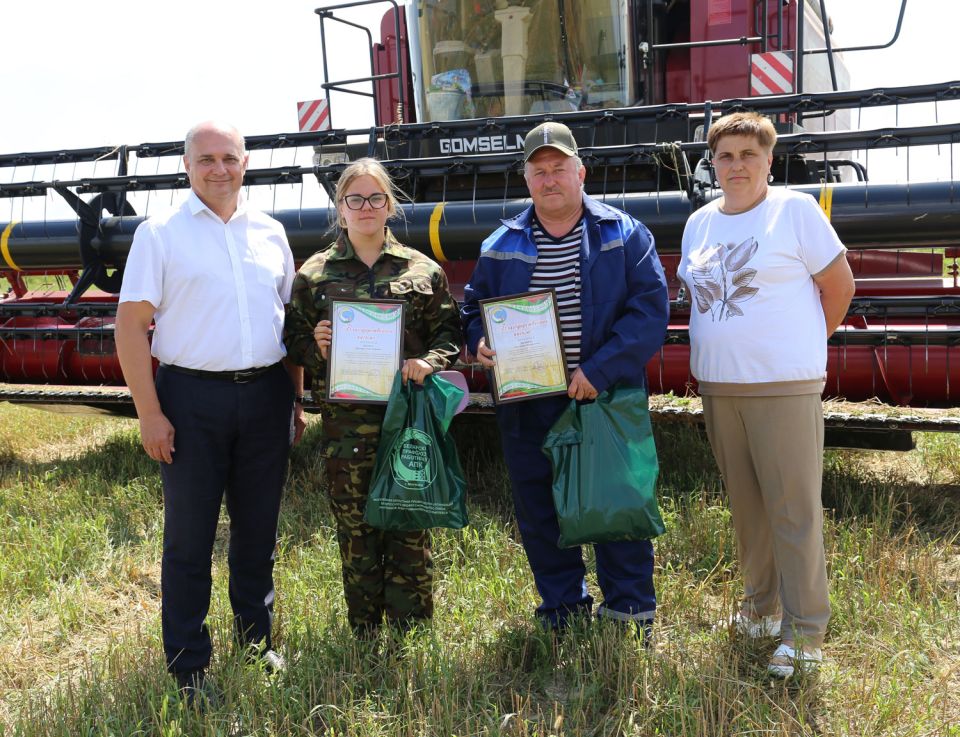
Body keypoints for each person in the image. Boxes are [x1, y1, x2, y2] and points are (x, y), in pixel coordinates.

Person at [115, 120, 305, 703]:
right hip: (190, 400)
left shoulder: (271, 232)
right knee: (190, 539)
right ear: (187, 166)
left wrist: (295, 399)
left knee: (258, 532)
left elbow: (288, 324)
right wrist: (149, 413)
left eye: (229, 157)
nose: (218, 168)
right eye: (206, 159)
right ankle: (189, 665)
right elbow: (129, 326)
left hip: (267, 394)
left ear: (246, 163)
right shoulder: (161, 234)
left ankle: (256, 642)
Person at [460, 122, 670, 633]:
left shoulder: (624, 235)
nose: (549, 179)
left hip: (602, 396)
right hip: (527, 401)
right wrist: (479, 343)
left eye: (559, 169)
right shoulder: (499, 243)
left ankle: (628, 612)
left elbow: (649, 312)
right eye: (539, 171)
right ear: (526, 178)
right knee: (540, 509)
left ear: (581, 172)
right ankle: (563, 611)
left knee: (616, 505)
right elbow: (472, 309)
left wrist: (597, 371)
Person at [678, 111, 856, 677]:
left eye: (748, 155)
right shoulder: (700, 222)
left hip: (782, 386)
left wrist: (800, 344)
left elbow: (839, 286)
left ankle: (805, 634)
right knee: (749, 510)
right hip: (720, 386)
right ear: (713, 162)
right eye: (725, 156)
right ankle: (758, 610)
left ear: (768, 160)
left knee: (793, 511)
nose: (736, 165)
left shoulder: (794, 212)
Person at [284, 158, 463, 639]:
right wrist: (315, 344)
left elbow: (450, 335)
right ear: (340, 209)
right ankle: (364, 630)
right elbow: (290, 342)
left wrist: (429, 362)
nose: (366, 207)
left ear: (391, 207)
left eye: (376, 198)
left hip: (408, 423)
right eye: (355, 199)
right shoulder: (314, 275)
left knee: (408, 525)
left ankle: (412, 631)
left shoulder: (422, 271)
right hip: (346, 430)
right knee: (356, 531)